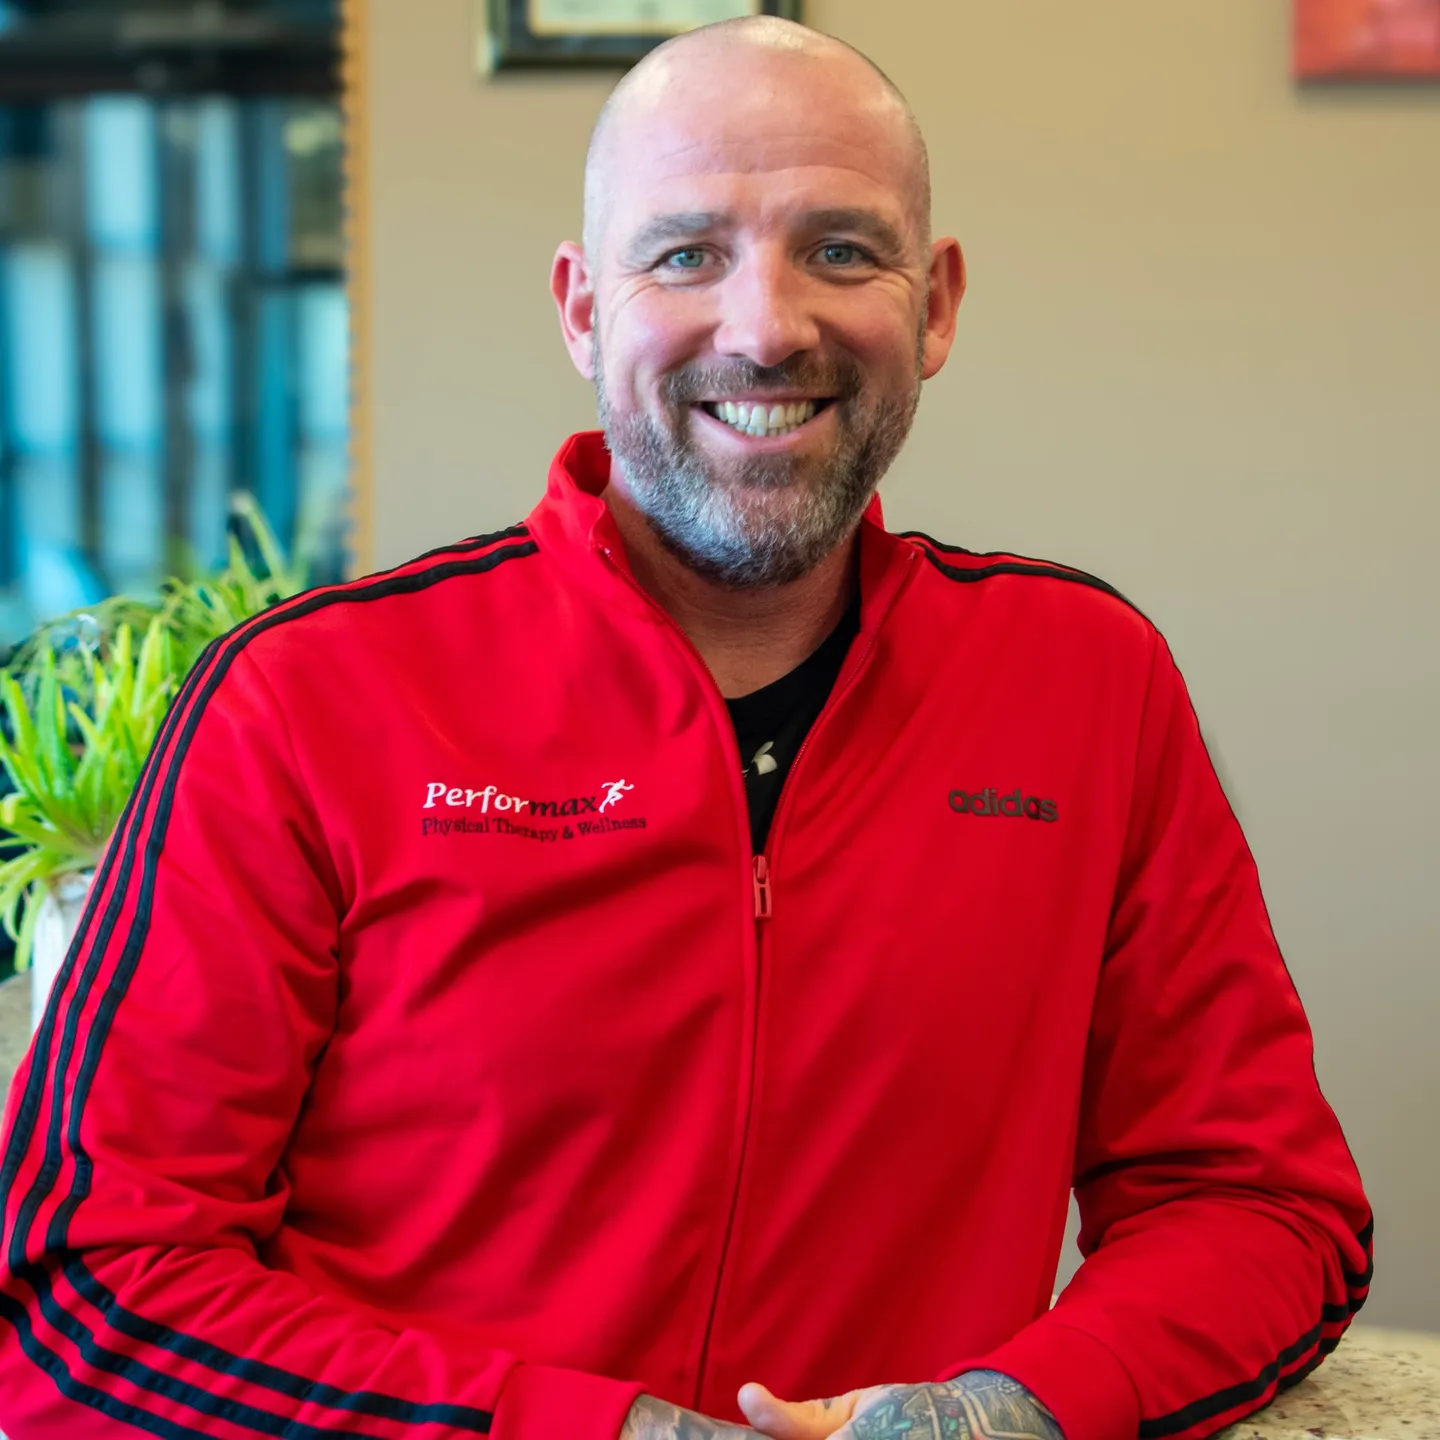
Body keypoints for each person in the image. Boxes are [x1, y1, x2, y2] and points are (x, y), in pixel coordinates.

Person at [0, 17, 1370, 1440]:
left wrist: (1013, 1414)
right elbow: (84, 1288)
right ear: (582, 308)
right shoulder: (305, 699)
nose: (768, 326)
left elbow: (1255, 1201)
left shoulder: (1088, 684)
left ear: (937, 303)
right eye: (686, 254)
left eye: (841, 249)